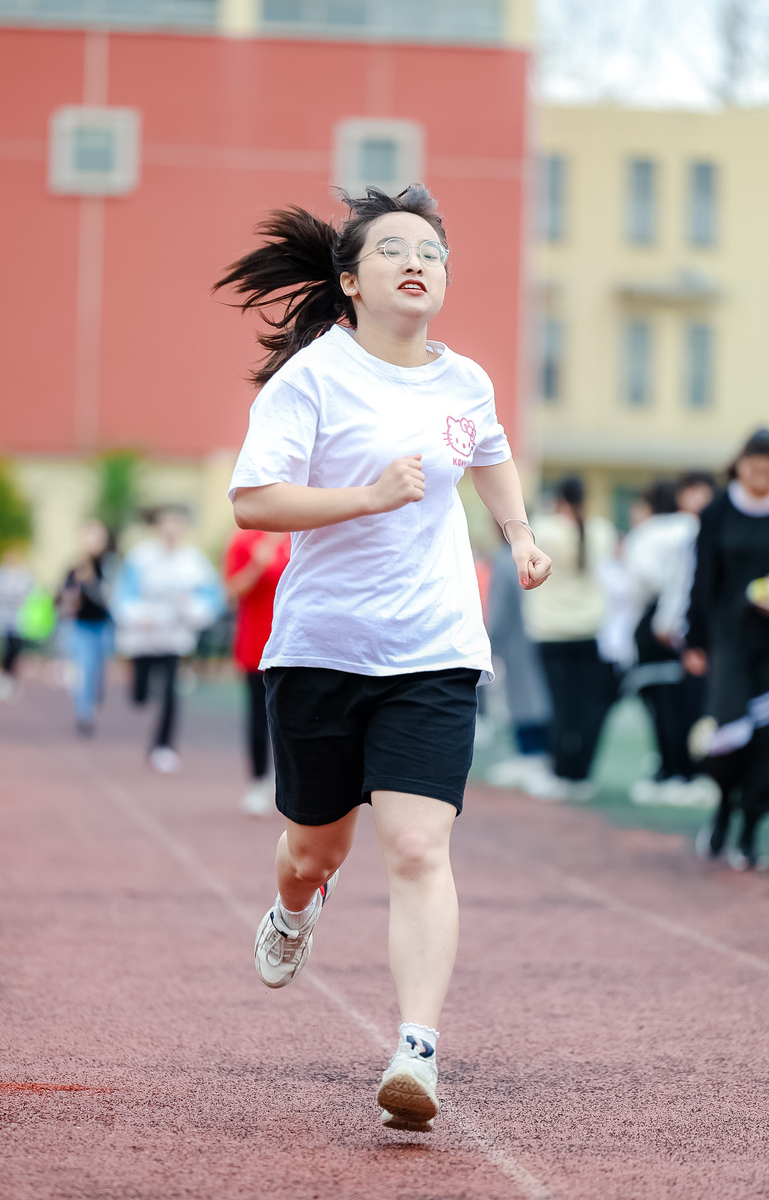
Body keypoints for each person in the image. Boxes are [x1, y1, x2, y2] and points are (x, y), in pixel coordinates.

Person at [214, 184, 551, 1132]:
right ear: (350, 280)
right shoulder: (313, 380)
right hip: (322, 649)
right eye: (394, 249)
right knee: (317, 847)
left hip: (434, 650)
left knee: (417, 845)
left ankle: (417, 1050)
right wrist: (367, 496)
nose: (417, 261)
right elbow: (254, 501)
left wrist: (517, 532)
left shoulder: (465, 381)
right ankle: (292, 908)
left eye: (432, 252)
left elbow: (489, 453)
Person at [685, 430, 769, 869]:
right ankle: (722, 812)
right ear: (740, 464)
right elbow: (701, 578)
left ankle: (752, 829)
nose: (761, 473)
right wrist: (696, 639)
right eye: (754, 464)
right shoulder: (718, 511)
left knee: (766, 743)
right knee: (729, 736)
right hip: (728, 641)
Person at [523, 477, 618, 801]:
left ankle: (560, 772)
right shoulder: (601, 530)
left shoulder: (546, 529)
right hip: (590, 629)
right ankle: (580, 774)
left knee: (561, 706)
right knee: (587, 706)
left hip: (550, 631)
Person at [111, 505, 225, 773]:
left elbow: (212, 599)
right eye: (166, 524)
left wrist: (192, 610)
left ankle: (163, 747)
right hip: (142, 640)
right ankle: (141, 693)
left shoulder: (194, 562)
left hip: (175, 640)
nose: (171, 529)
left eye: (177, 523)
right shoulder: (140, 558)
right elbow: (121, 597)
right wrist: (141, 615)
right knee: (139, 697)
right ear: (156, 528)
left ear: (185, 528)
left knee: (171, 694)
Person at [624, 476, 716, 805]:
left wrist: (664, 620)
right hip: (693, 624)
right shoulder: (695, 527)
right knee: (689, 703)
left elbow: (646, 581)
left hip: (660, 623)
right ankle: (690, 771)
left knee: (664, 705)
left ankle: (674, 770)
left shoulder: (651, 533)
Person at [223, 528, 290, 815]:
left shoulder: (300, 534)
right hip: (256, 647)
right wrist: (257, 566)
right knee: (259, 717)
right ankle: (258, 781)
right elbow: (231, 589)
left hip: (294, 647)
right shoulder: (245, 540)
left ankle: (288, 786)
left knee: (294, 720)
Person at [484, 537, 554, 793]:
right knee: (537, 693)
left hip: (517, 638)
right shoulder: (539, 553)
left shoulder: (506, 559)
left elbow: (500, 610)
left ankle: (530, 754)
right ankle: (538, 752)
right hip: (544, 634)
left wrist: (490, 642)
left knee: (522, 695)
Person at [56, 518, 116, 736]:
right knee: (85, 670)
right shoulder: (74, 568)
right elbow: (60, 598)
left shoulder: (109, 566)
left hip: (105, 626)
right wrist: (71, 597)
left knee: (101, 673)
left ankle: (94, 699)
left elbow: (110, 598)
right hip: (82, 627)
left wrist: (91, 582)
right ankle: (85, 714)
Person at [0, 547, 34, 701]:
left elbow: (27, 596)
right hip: (0, 619)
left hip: (17, 621)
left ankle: (10, 678)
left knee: (15, 649)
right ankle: (0, 677)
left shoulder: (23, 576)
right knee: (2, 649)